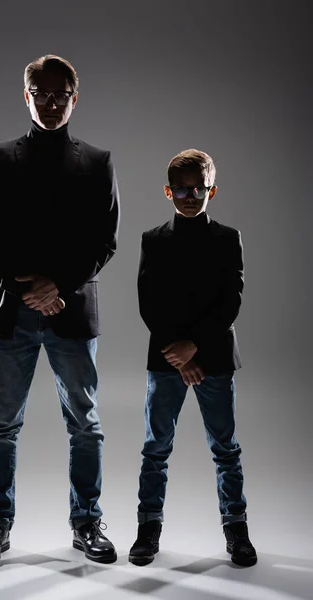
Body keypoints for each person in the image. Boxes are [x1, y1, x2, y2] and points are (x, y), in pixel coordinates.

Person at [0, 54, 120, 566]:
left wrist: (59, 285)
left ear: (74, 99)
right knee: (2, 425)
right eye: (42, 93)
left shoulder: (97, 162)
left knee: (85, 423)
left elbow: (105, 239)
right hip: (11, 312)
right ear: (26, 95)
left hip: (72, 313)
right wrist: (26, 287)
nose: (51, 103)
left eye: (61, 95)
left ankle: (87, 523)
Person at [129, 149, 257, 567]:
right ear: (168, 192)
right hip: (166, 358)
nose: (189, 195)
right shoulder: (153, 239)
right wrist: (179, 354)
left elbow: (230, 301)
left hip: (215, 358)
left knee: (225, 448)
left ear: (211, 189)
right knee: (155, 448)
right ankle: (148, 530)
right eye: (181, 189)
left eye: (197, 188)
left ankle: (236, 529)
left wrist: (194, 347)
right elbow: (148, 302)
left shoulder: (227, 238)